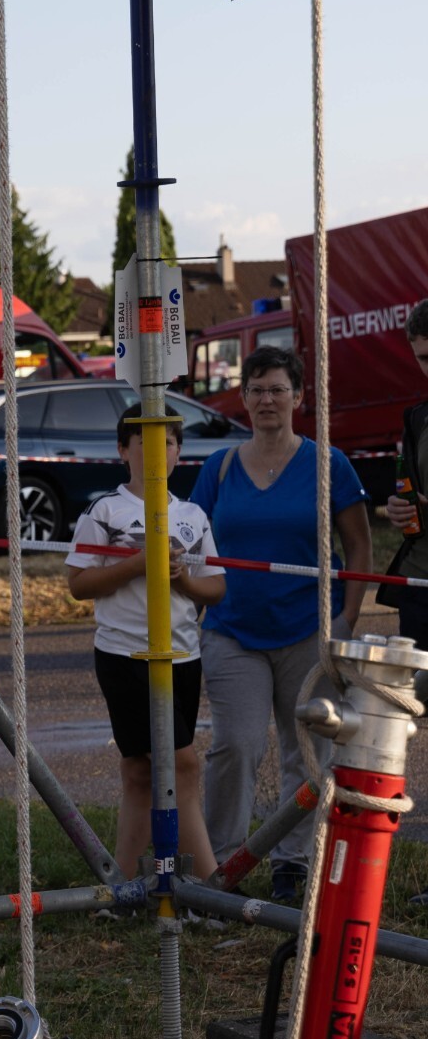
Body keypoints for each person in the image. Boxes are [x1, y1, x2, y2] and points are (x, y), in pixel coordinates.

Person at [190, 345, 371, 903]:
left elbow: (359, 545)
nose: (267, 399)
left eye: (277, 389)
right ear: (243, 399)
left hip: (308, 631)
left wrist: (345, 618)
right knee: (236, 746)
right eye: (257, 390)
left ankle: (293, 862)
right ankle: (223, 865)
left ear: (299, 396)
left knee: (307, 751)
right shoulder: (219, 468)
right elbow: (189, 546)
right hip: (232, 631)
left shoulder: (329, 464)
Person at [67, 410, 225, 884]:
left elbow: (215, 587)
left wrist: (182, 580)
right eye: (144, 443)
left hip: (184, 654)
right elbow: (79, 583)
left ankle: (122, 887)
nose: (158, 453)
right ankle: (212, 888)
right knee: (182, 765)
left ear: (179, 452)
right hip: (127, 655)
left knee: (140, 771)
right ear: (123, 450)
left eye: (168, 443)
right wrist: (137, 565)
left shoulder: (192, 515)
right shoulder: (105, 511)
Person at [374, 298, 428, 907]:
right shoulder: (416, 417)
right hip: (420, 583)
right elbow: (408, 495)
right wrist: (399, 510)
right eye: (421, 358)